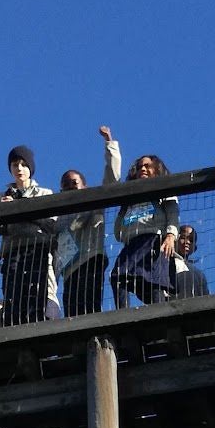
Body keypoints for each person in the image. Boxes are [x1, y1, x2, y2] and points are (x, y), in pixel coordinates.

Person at [54, 126, 122, 318]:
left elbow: (112, 178)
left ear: (84, 185)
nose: (69, 188)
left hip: (91, 258)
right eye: (65, 186)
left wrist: (110, 143)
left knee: (90, 307)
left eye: (74, 183)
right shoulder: (58, 217)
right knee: (72, 313)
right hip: (69, 270)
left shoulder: (94, 200)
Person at [109, 150, 180, 308]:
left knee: (153, 280)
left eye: (148, 166)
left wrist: (170, 235)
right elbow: (118, 231)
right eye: (140, 167)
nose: (143, 169)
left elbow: (172, 211)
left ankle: (159, 312)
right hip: (132, 242)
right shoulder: (130, 197)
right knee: (118, 276)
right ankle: (123, 315)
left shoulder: (164, 188)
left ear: (157, 169)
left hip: (153, 239)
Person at [0, 145, 54, 326]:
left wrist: (23, 209)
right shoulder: (3, 195)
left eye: (23, 164)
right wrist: (3, 212)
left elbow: (51, 224)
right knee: (13, 293)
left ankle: (37, 326)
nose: (19, 169)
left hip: (38, 249)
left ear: (30, 167)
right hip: (12, 251)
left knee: (37, 291)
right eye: (15, 165)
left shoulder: (44, 193)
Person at [173, 224, 210, 299]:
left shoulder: (199, 275)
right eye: (183, 238)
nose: (187, 242)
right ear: (175, 240)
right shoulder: (164, 264)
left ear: (194, 248)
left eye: (191, 240)